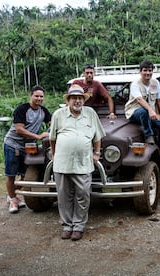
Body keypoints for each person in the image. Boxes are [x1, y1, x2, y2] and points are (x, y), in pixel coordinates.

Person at [49, 84, 106, 241]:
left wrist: (97, 153)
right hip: (62, 163)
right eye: (74, 98)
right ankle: (67, 226)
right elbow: (52, 138)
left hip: (83, 163)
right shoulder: (58, 115)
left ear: (84, 100)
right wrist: (54, 155)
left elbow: (98, 137)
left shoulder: (90, 114)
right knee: (64, 196)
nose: (78, 101)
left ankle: (79, 226)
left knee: (83, 194)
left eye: (80, 98)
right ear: (68, 100)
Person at [3, 85, 51, 214]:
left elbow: (52, 124)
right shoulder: (22, 109)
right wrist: (38, 136)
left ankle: (12, 194)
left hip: (28, 146)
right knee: (11, 174)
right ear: (31, 96)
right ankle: (13, 199)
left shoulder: (43, 111)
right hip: (13, 144)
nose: (39, 98)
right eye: (36, 96)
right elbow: (19, 129)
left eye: (41, 96)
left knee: (26, 175)